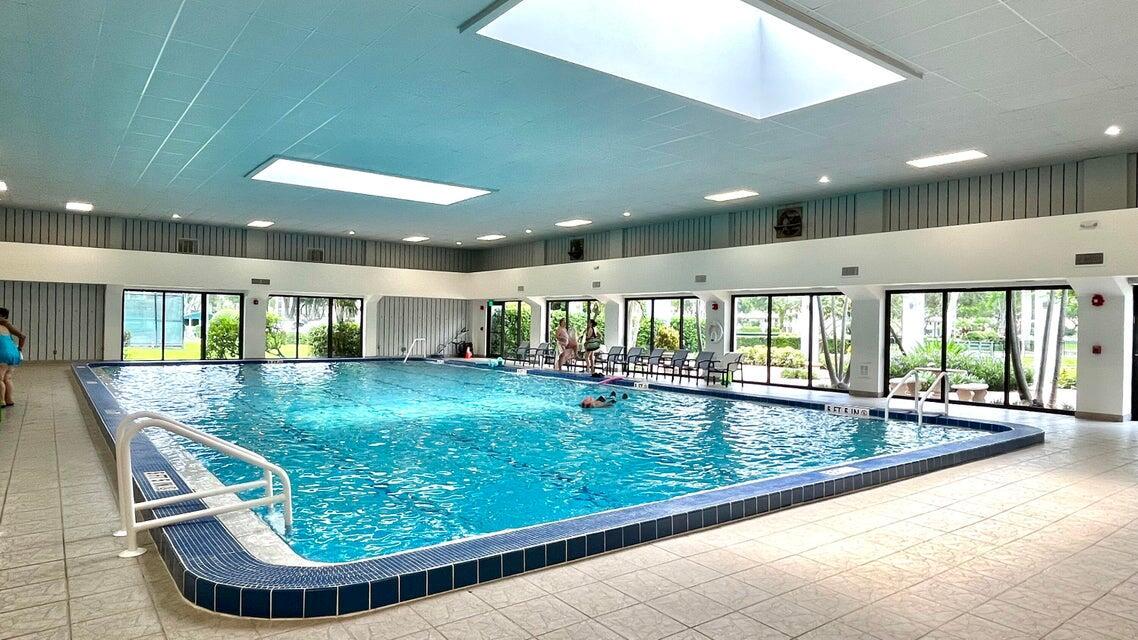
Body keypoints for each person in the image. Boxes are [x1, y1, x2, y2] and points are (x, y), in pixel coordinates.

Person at [0, 307, 26, 408]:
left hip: (2, 354)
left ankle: (2, 401)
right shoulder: (8, 328)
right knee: (8, 378)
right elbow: (22, 336)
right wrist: (20, 349)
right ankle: (9, 400)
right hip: (14, 353)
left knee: (0, 379)